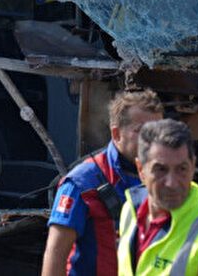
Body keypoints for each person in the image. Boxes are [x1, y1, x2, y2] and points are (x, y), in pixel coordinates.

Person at [42, 90, 163, 276]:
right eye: (141, 131)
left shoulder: (165, 180)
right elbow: (55, 254)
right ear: (116, 134)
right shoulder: (82, 183)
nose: (151, 141)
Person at [117, 119, 198, 276]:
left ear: (193, 166)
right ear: (140, 169)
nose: (172, 183)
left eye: (181, 169)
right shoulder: (130, 211)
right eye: (160, 169)